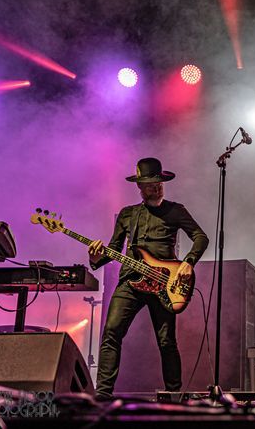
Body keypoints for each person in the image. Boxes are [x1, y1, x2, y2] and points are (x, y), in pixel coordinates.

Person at [88, 157, 209, 399]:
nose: (157, 187)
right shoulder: (128, 214)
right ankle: (102, 395)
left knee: (166, 341)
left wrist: (188, 262)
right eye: (151, 184)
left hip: (165, 283)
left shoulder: (176, 210)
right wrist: (95, 256)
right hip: (131, 281)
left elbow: (200, 237)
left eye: (159, 182)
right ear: (140, 186)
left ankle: (174, 396)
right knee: (111, 332)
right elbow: (114, 249)